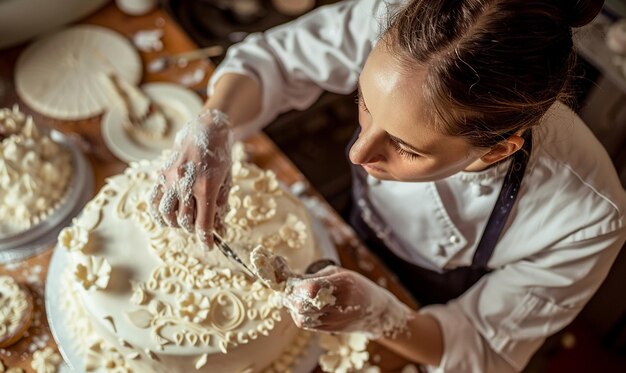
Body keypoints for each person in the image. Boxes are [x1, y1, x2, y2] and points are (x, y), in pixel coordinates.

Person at [150, 0, 626, 371]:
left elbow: (481, 347)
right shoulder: (411, 32)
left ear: (497, 150)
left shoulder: (589, 215)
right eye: (365, 103)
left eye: (407, 147)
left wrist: (383, 315)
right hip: (355, 227)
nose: (358, 153)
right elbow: (273, 61)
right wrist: (215, 121)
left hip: (425, 310)